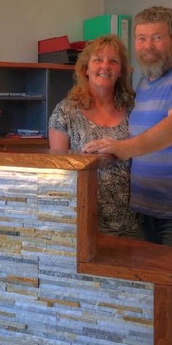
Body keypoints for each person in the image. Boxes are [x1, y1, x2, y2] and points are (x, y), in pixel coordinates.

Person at [84, 6, 172, 253]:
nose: (148, 46)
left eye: (157, 38)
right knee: (153, 290)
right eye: (141, 38)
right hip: (147, 212)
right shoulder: (145, 83)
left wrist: (124, 148)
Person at [48, 35, 142, 238]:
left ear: (121, 72)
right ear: (85, 69)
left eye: (113, 61)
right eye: (98, 60)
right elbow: (58, 171)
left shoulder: (135, 107)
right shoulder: (65, 112)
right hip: (85, 221)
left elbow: (148, 151)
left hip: (135, 221)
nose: (105, 66)